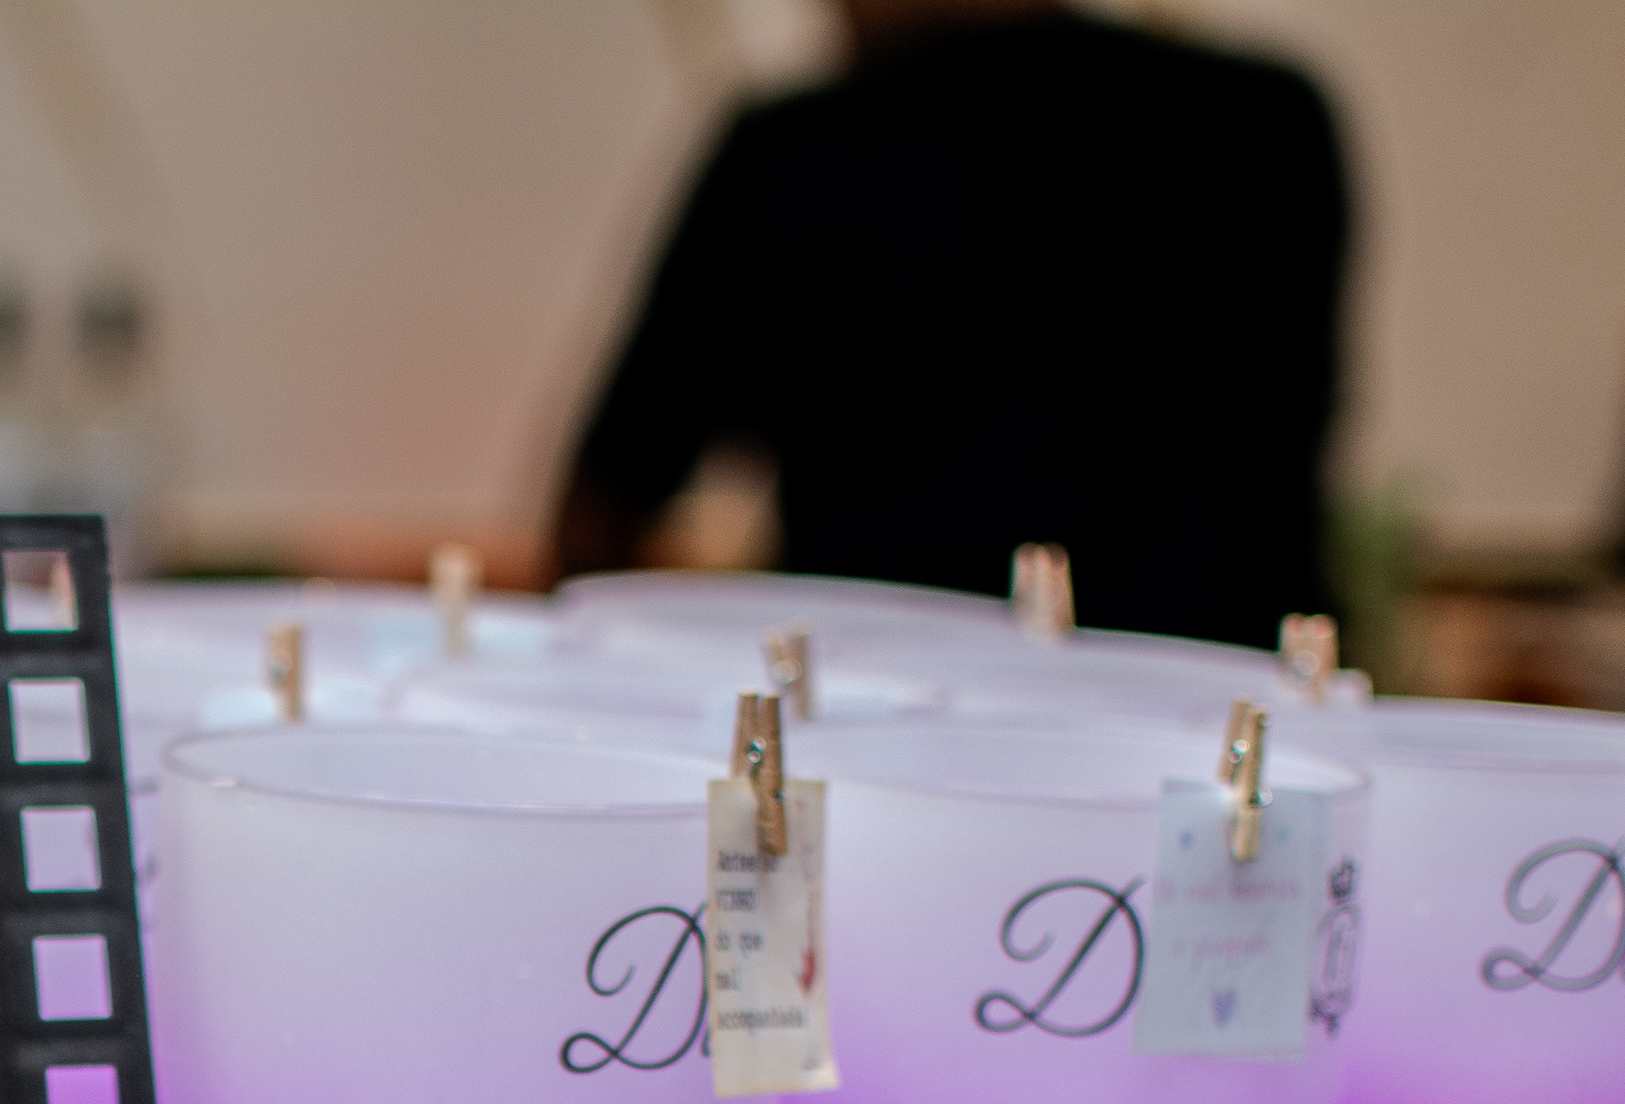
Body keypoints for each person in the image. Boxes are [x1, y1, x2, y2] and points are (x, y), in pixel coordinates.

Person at [553, 0, 1348, 647]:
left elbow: (599, 515)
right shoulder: (1272, 123)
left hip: (885, 730)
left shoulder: (795, 150)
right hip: (1232, 732)